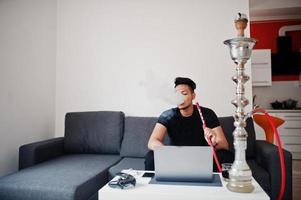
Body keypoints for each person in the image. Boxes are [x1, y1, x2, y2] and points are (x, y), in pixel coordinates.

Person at [145, 77, 234, 172]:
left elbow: (224, 144)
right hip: (175, 159)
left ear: (193, 95)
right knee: (151, 156)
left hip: (202, 158)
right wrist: (169, 153)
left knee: (225, 155)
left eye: (184, 94)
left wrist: (213, 140)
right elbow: (152, 141)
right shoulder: (168, 115)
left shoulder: (207, 114)